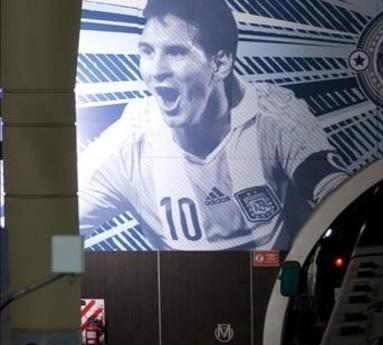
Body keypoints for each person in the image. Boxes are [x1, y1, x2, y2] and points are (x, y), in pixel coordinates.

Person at [78, 0, 348, 251]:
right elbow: (59, 227)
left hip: (274, 288)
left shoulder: (276, 117)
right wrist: (67, 281)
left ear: (220, 64)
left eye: (176, 52)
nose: (156, 69)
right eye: (147, 51)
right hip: (177, 291)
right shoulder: (128, 144)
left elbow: (342, 203)